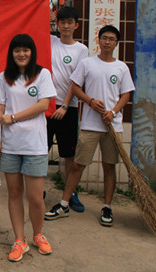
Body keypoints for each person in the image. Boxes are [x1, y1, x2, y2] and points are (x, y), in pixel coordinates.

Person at [44, 25, 135, 227]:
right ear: (98, 40)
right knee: (78, 165)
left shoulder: (121, 67)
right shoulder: (87, 63)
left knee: (109, 167)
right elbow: (75, 87)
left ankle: (107, 207)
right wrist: (90, 101)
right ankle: (64, 203)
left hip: (112, 125)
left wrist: (113, 112)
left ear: (116, 43)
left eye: (111, 39)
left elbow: (126, 94)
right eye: (104, 38)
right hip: (90, 124)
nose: (107, 42)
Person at [0, 33, 57, 262]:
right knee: (14, 194)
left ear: (32, 52)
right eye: (17, 50)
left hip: (35, 145)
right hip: (11, 145)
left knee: (35, 197)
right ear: (11, 53)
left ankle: (38, 234)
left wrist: (13, 117)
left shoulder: (42, 74)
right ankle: (19, 239)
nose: (21, 54)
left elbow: (43, 105)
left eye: (25, 50)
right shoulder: (4, 78)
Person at [47, 6, 88, 212]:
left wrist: (64, 105)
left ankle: (71, 192)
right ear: (57, 24)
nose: (65, 26)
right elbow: (34, 25)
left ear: (76, 25)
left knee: (68, 154)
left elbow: (76, 81)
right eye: (62, 22)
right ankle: (38, 188)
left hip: (68, 108)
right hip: (46, 106)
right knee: (40, 150)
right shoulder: (50, 41)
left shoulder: (81, 50)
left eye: (69, 22)